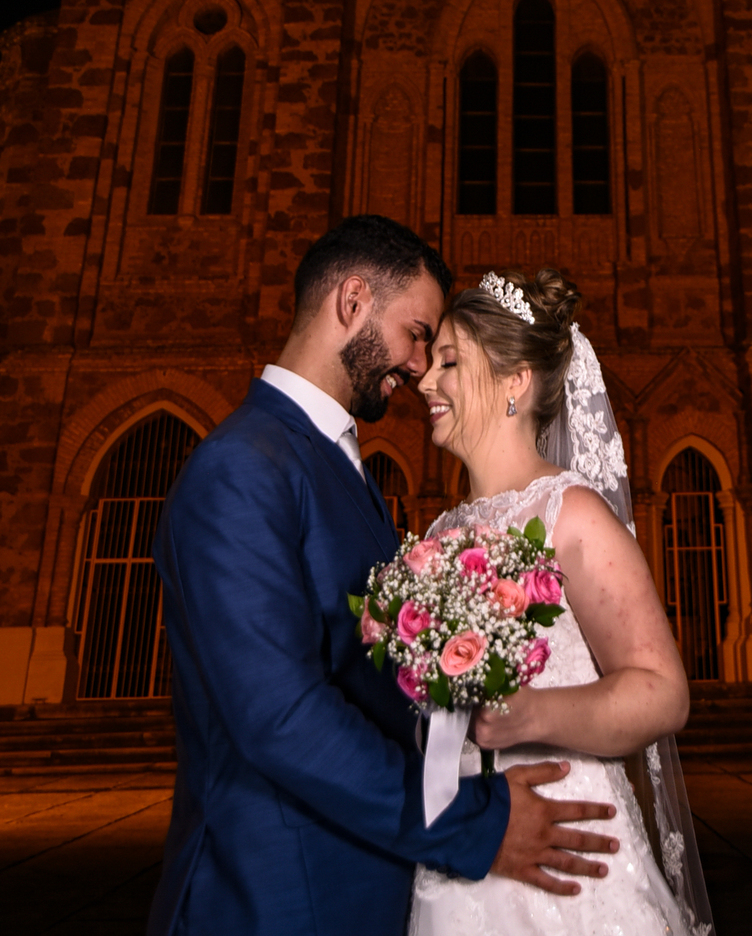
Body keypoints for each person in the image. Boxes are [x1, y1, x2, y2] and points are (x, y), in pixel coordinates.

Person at [147, 217, 620, 936]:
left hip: (362, 878)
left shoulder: (334, 462)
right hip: (276, 896)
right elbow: (279, 718)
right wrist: (477, 824)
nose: (420, 365)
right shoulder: (242, 467)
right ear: (353, 301)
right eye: (418, 332)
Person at [409, 267, 715, 935]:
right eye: (431, 362)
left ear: (515, 380)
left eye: (450, 362)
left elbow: (664, 692)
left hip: (565, 851)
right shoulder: (440, 534)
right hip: (464, 845)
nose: (426, 381)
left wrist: (529, 714)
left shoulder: (569, 515)